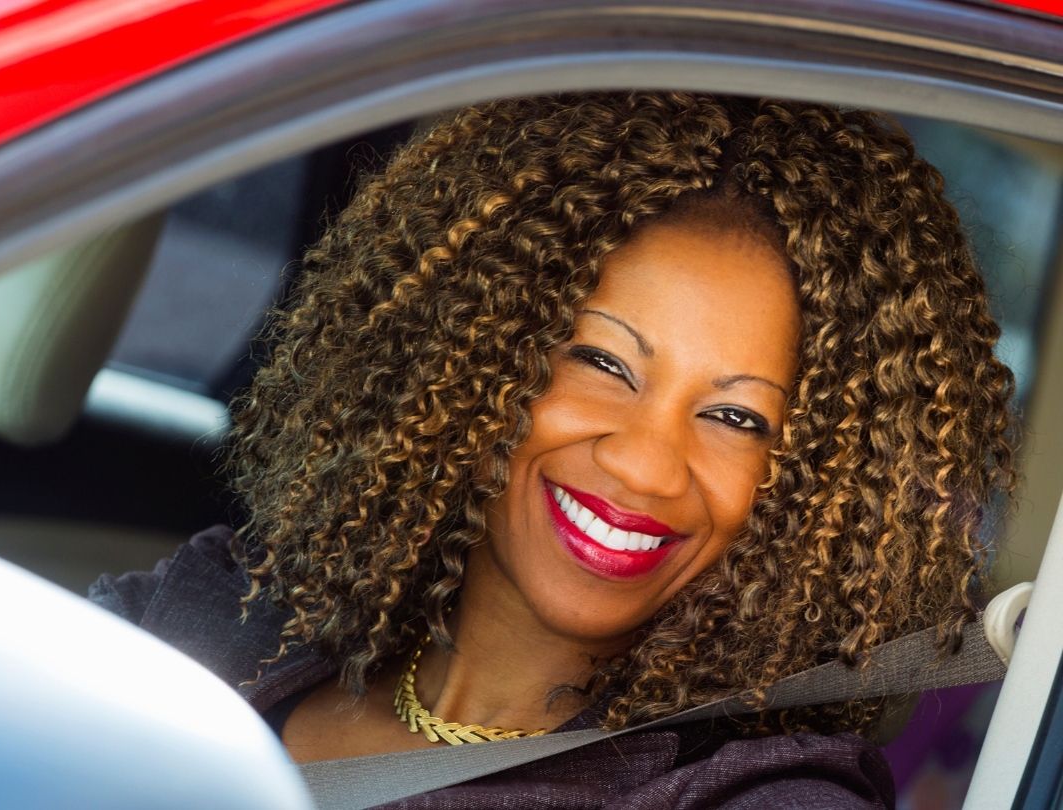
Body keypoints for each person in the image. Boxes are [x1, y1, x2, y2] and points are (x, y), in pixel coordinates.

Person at [90, 91, 1017, 808]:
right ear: (472, 350)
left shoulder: (749, 795)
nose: (646, 465)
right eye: (604, 361)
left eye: (738, 419)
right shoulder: (225, 614)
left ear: (818, 490)